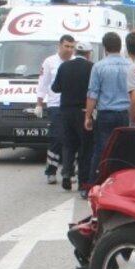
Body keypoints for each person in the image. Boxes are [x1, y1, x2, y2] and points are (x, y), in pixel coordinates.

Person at [85, 32, 131, 182]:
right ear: (120, 47)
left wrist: (88, 116)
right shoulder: (130, 66)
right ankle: (121, 184)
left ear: (105, 48)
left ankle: (95, 183)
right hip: (125, 114)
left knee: (101, 150)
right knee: (123, 151)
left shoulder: (99, 67)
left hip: (105, 114)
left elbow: (93, 94)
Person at [52, 41, 95, 194]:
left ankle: (66, 174)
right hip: (84, 112)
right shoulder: (92, 68)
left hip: (66, 112)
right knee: (85, 146)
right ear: (89, 53)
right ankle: (83, 182)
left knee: (68, 144)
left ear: (75, 51)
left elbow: (55, 88)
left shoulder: (64, 66)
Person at [36, 35, 76, 185]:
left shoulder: (75, 62)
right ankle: (51, 171)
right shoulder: (50, 62)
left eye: (72, 47)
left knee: (71, 140)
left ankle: (69, 171)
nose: (69, 50)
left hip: (72, 106)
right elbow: (43, 83)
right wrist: (39, 103)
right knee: (57, 138)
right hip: (55, 105)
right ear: (60, 46)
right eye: (66, 46)